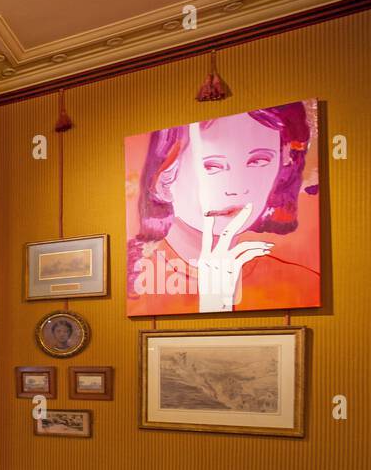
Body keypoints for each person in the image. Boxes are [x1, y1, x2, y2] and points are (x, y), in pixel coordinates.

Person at [126, 101, 318, 315]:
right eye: (212, 166)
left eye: (258, 161)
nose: (237, 188)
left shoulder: (300, 284)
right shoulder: (133, 281)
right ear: (166, 178)